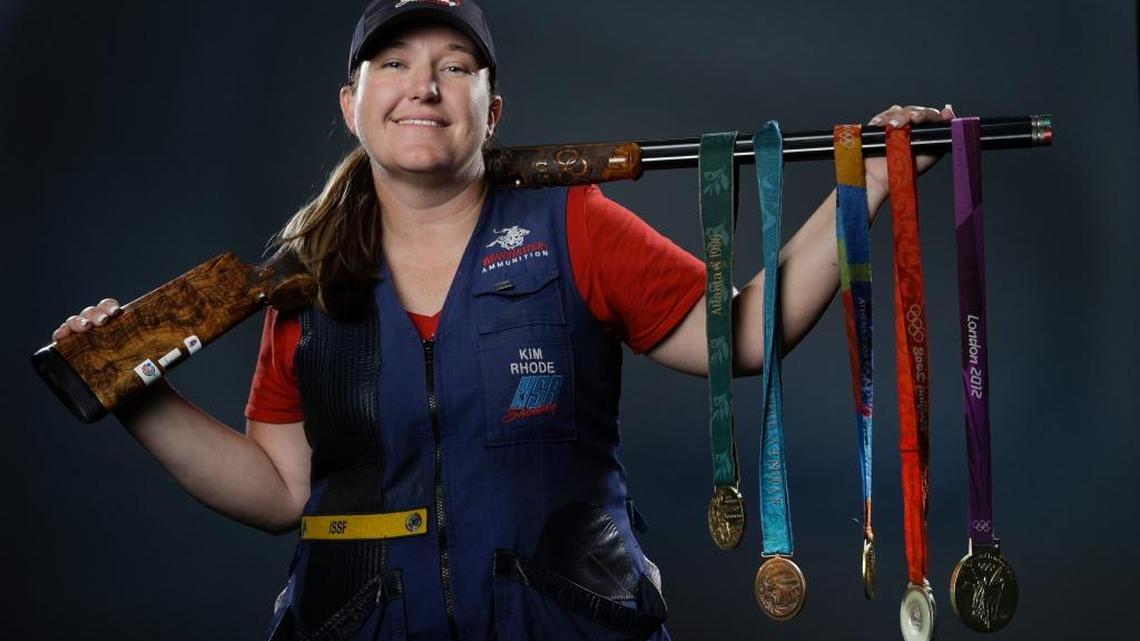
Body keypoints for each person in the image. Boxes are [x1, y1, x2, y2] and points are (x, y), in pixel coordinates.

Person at [52, 1, 955, 639]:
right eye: (396, 64)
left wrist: (866, 183)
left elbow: (747, 333)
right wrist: (137, 394)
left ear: (493, 107)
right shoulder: (303, 285)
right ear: (351, 105)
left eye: (455, 65)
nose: (425, 86)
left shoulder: (578, 225)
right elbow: (281, 490)